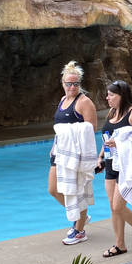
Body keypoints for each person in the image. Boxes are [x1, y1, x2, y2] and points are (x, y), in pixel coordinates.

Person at [98, 79, 132, 257]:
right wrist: (100, 157)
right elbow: (107, 137)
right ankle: (120, 245)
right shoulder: (112, 112)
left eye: (111, 95)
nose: (107, 98)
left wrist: (120, 141)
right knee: (113, 208)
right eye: (108, 94)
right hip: (111, 163)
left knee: (118, 206)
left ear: (122, 95)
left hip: (127, 166)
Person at [49, 61, 98, 245]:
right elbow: (60, 129)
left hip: (76, 155)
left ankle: (79, 230)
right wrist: (54, 146)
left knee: (79, 192)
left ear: (80, 84)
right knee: (53, 189)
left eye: (76, 84)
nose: (72, 87)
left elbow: (91, 128)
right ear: (62, 83)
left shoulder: (84, 102)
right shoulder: (63, 100)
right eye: (69, 83)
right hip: (60, 152)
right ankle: (80, 216)